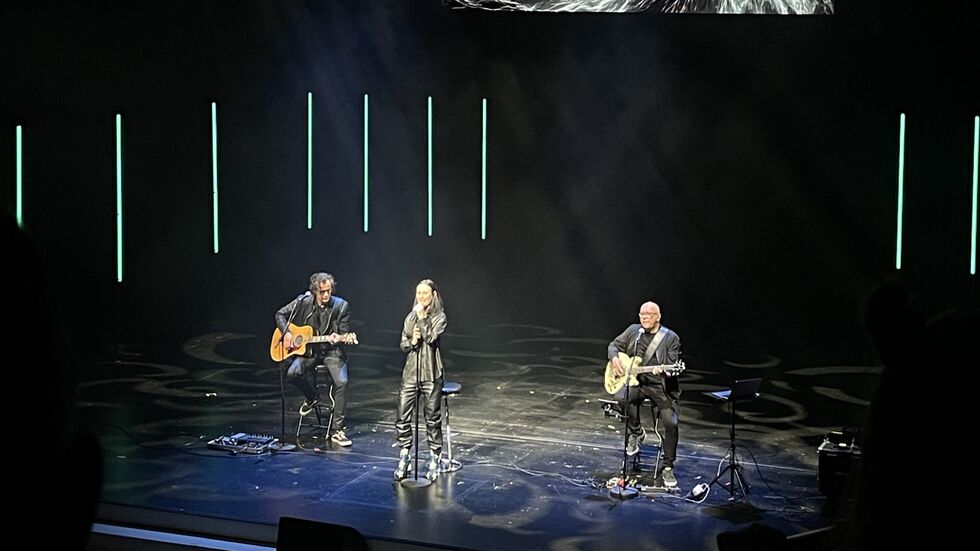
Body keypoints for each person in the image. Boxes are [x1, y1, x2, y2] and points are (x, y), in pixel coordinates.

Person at [607, 301, 682, 487]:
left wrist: (664, 371)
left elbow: (673, 366)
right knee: (620, 397)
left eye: (649, 314)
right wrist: (615, 359)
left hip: (660, 387)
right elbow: (613, 345)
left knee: (671, 423)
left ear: (658, 316)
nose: (644, 317)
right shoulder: (634, 331)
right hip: (637, 382)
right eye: (642, 314)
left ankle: (668, 466)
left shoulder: (671, 337)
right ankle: (637, 432)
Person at [274, 272, 353, 447]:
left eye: (328, 291)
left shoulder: (341, 306)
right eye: (322, 291)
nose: (325, 295)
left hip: (331, 352)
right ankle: (312, 397)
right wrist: (287, 333)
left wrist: (338, 338)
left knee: (342, 381)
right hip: (309, 352)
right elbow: (280, 314)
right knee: (292, 373)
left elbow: (344, 334)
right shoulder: (303, 301)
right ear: (315, 290)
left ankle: (337, 430)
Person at [394, 279, 448, 481]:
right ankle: (404, 455)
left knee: (432, 419)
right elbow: (403, 344)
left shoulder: (439, 317)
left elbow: (431, 338)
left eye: (425, 293)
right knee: (402, 417)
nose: (421, 297)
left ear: (433, 295)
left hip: (431, 374)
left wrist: (422, 318)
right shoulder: (410, 317)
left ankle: (435, 457)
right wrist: (412, 341)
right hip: (410, 373)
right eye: (418, 293)